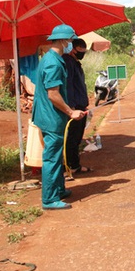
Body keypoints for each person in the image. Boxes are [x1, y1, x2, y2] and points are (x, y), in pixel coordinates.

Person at [32, 24, 87, 210]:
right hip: (51, 116)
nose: (70, 43)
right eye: (70, 40)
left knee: (57, 155)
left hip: (52, 114)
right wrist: (71, 112)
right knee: (52, 157)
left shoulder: (52, 58)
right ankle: (49, 199)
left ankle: (59, 189)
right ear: (63, 40)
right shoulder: (53, 63)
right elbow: (53, 94)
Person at [63, 38, 93, 177]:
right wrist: (72, 107)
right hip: (74, 107)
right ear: (73, 49)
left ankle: (75, 164)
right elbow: (68, 86)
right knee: (72, 138)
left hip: (81, 105)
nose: (82, 54)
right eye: (80, 51)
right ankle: (71, 166)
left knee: (77, 138)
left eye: (84, 51)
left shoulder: (76, 63)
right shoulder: (68, 62)